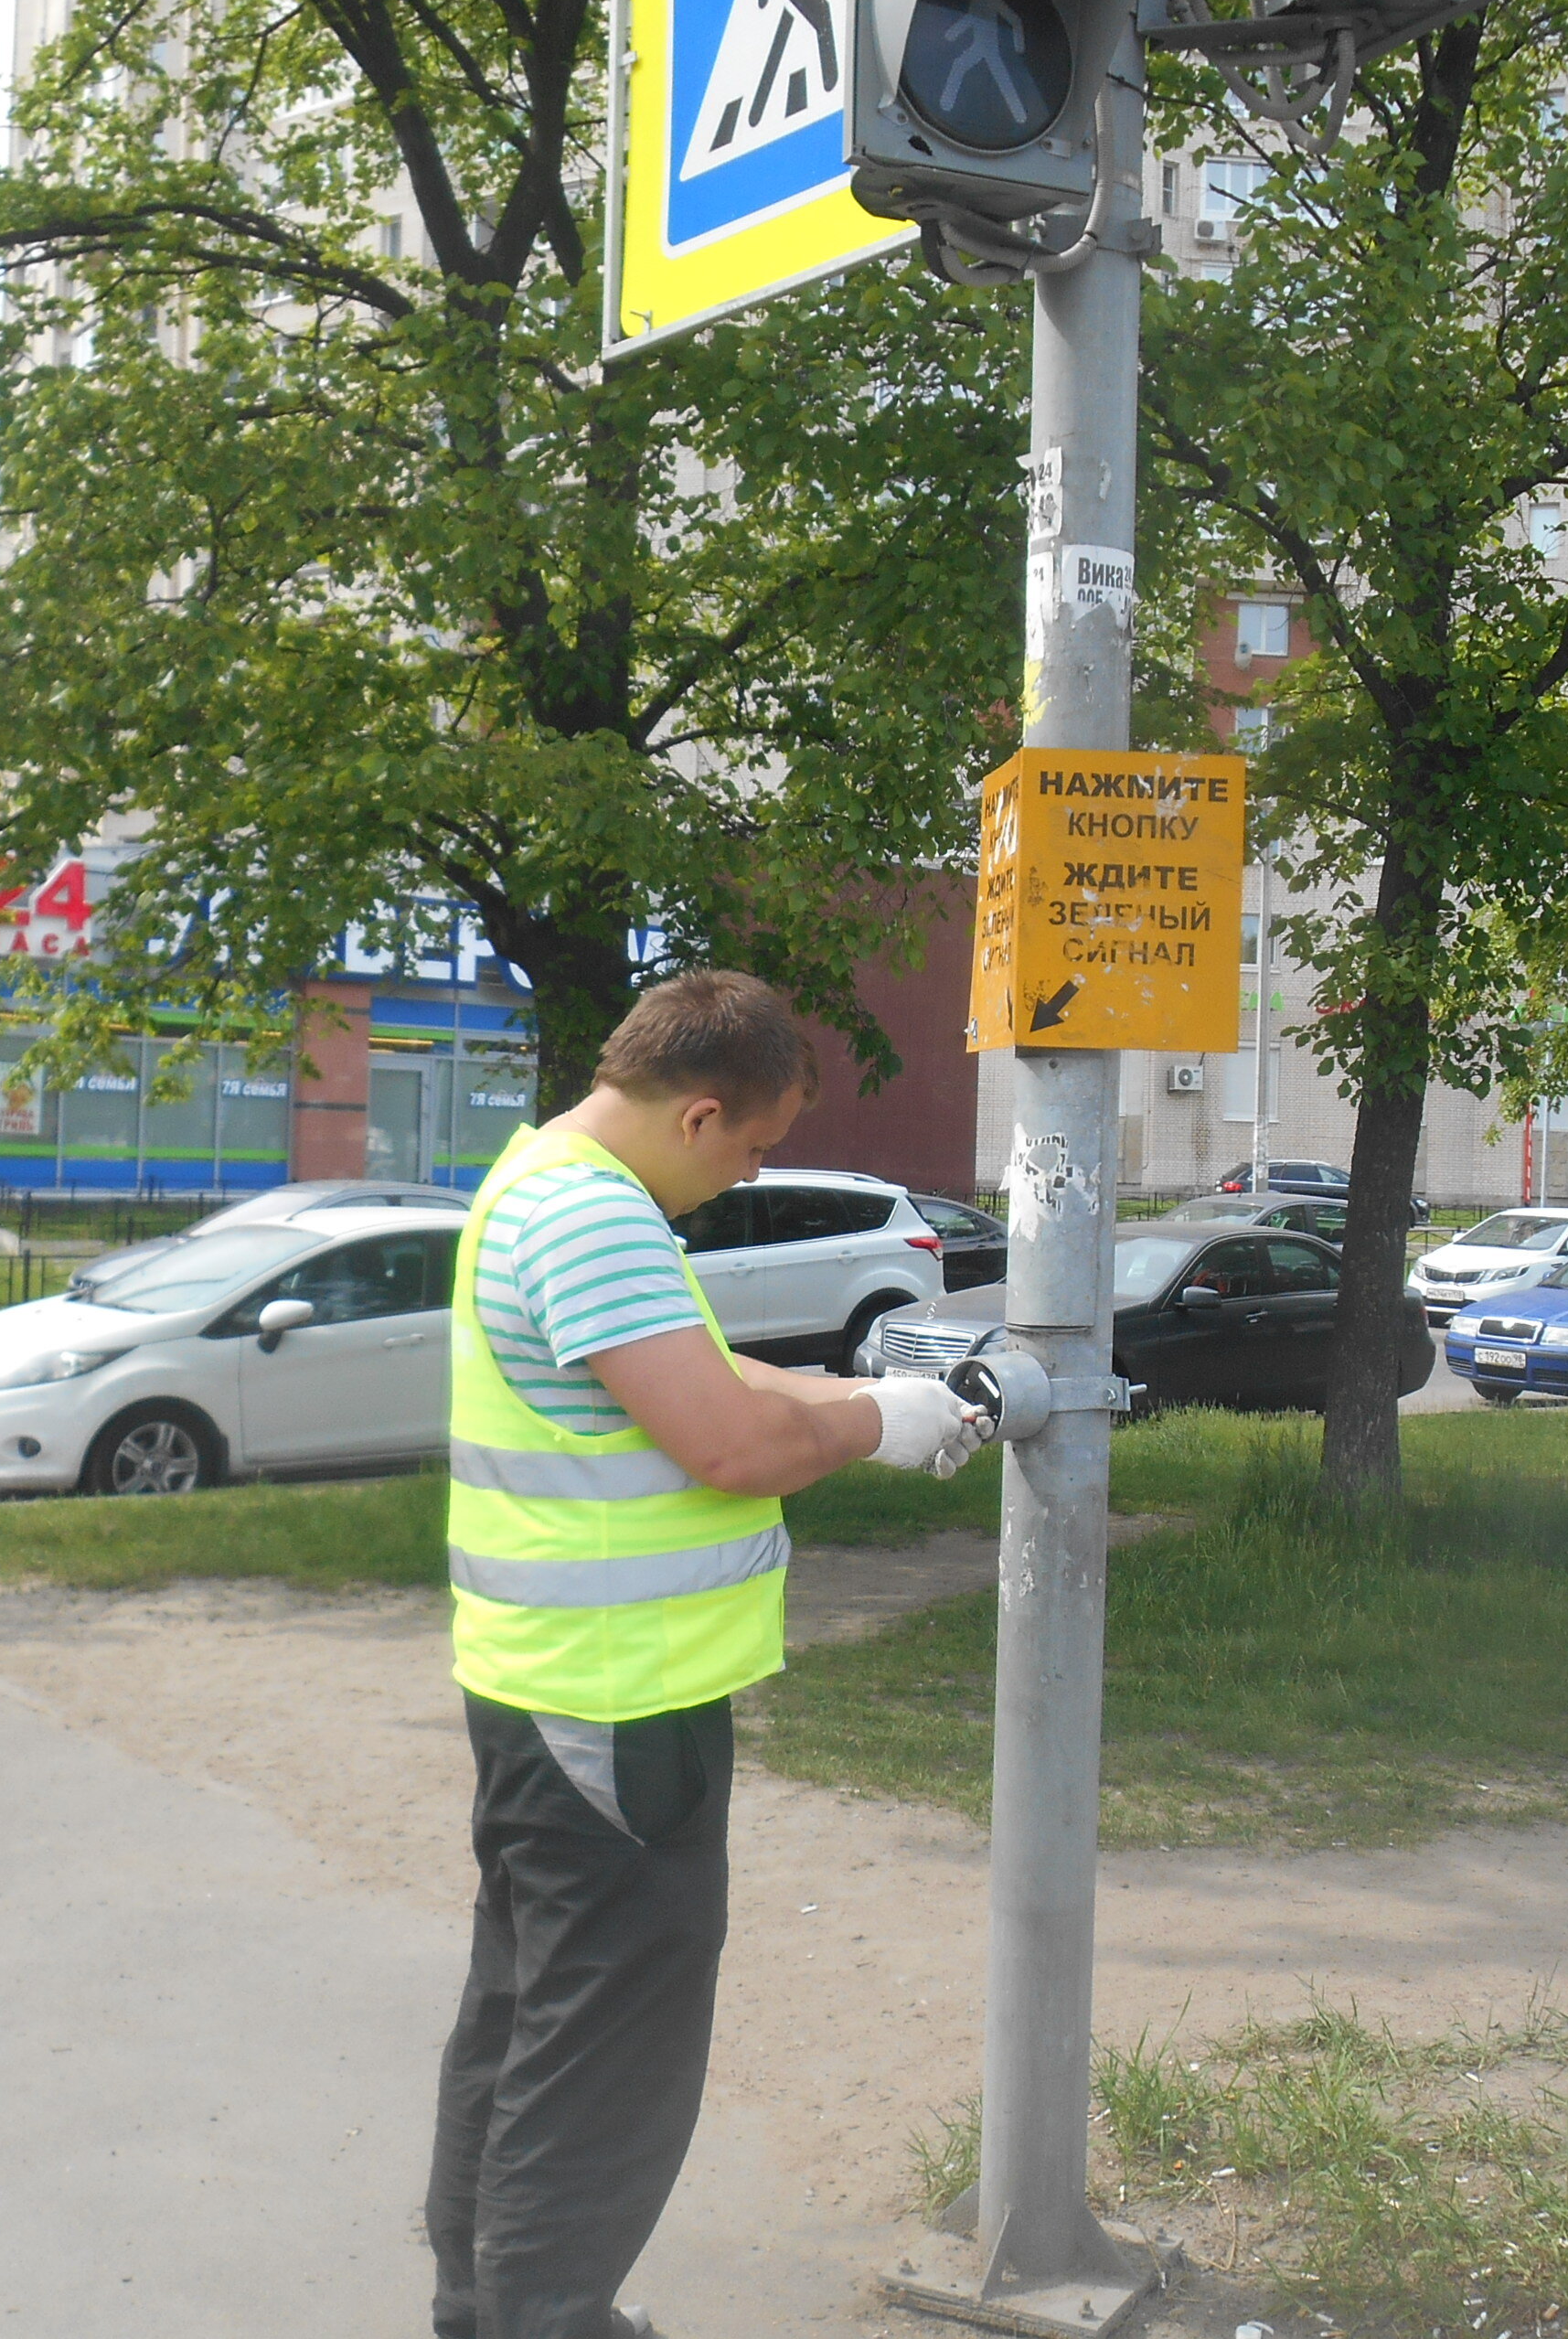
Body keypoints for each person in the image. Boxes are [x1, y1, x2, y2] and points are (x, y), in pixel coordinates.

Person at [426, 970, 988, 2339]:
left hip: (547, 1690)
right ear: (696, 1110)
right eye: (751, 1146)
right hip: (621, 1704)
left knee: (524, 2020)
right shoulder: (594, 1218)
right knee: (607, 2055)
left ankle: (486, 2306)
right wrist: (879, 1430)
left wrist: (868, 1390)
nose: (749, 1173)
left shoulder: (539, 1181)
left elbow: (712, 1371)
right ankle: (542, 2318)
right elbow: (729, 1442)